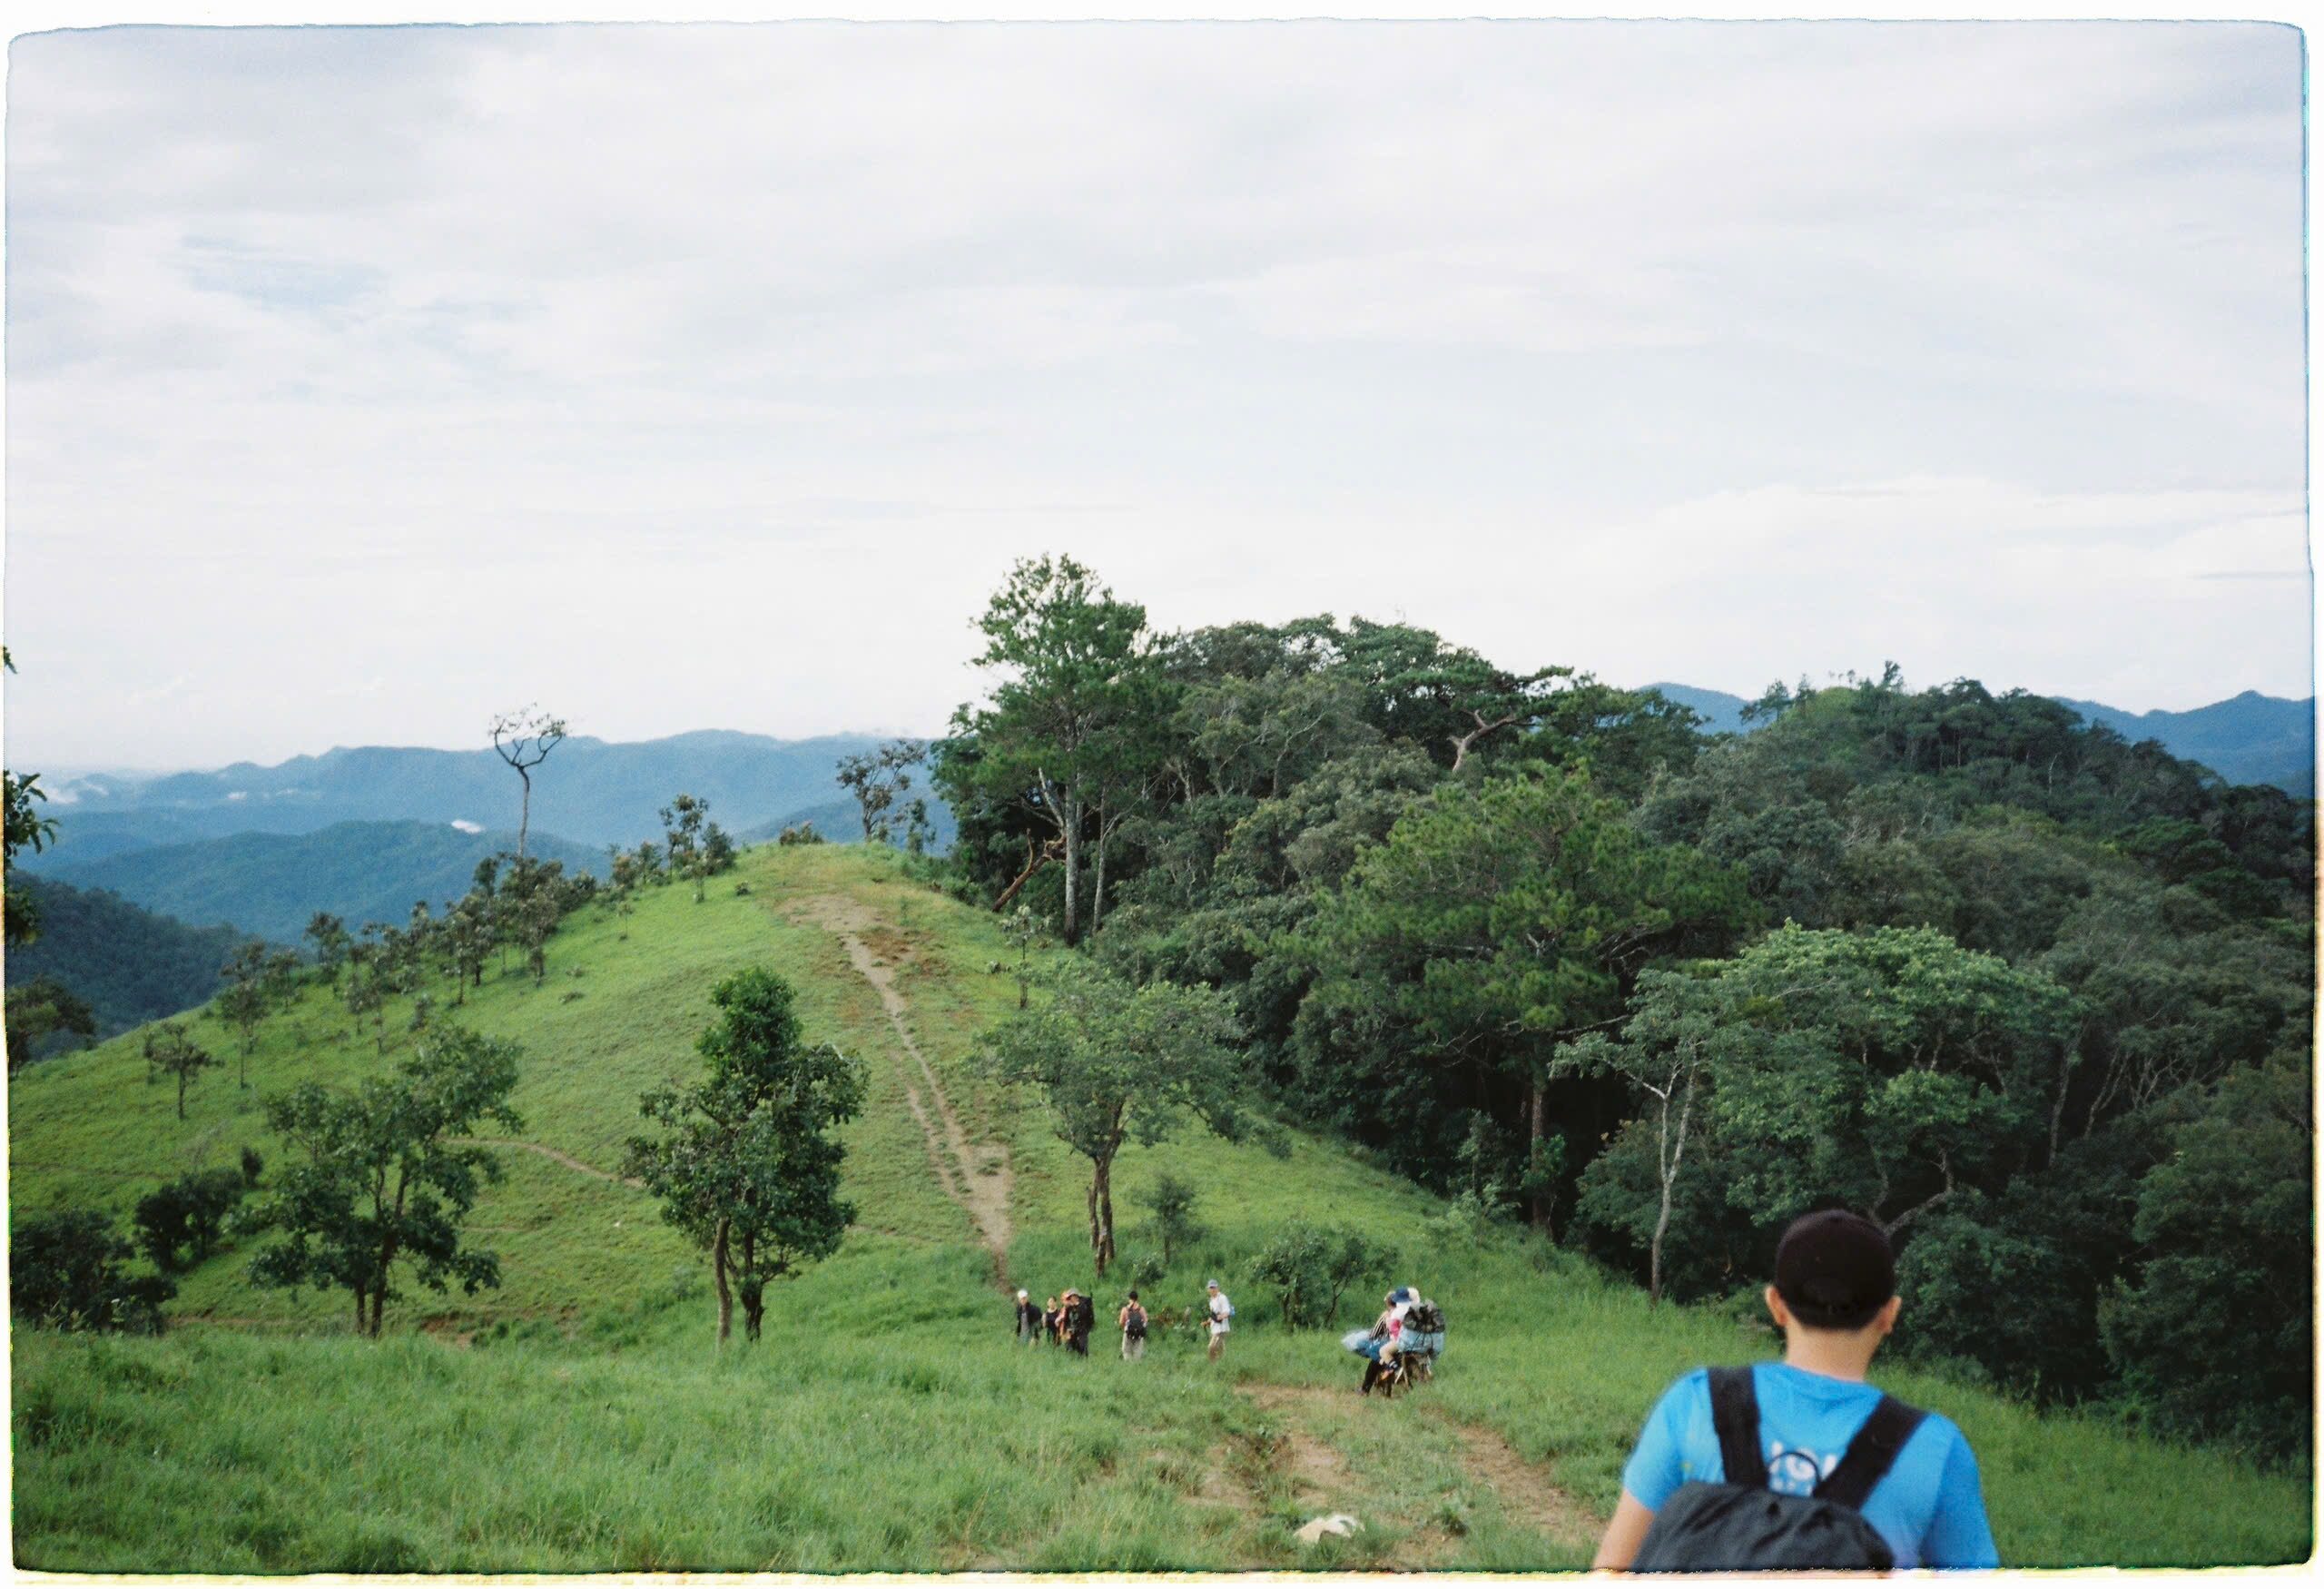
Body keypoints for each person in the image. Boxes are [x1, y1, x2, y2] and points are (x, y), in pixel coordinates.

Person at [1592, 1209, 1999, 1572]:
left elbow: (1613, 1569)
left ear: (1775, 1305)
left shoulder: (1696, 1403)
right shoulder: (1935, 1449)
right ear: (1889, 1314)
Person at [1204, 1279, 1233, 1362]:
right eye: (1211, 1288)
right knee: (1220, 1349)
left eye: (1214, 1287)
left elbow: (1227, 1312)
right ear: (1208, 1289)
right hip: (1215, 1328)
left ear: (1217, 1288)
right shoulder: (1211, 1300)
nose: (1212, 1289)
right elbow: (1213, 1314)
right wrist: (1207, 1322)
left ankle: (1213, 1364)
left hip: (1222, 1329)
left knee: (1212, 1347)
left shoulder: (1222, 1298)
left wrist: (1221, 1316)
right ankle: (1223, 1363)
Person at [1119, 1289, 1149, 1361]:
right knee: (1137, 1351)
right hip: (1139, 1334)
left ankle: (1128, 1364)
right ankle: (1136, 1364)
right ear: (1137, 1298)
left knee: (1126, 1351)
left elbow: (1121, 1322)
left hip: (1128, 1333)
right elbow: (1146, 1321)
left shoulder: (1125, 1309)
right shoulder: (1141, 1309)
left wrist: (1126, 1328)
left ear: (1129, 1298)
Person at [1062, 1288, 1093, 1357]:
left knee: (1082, 1346)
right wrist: (1066, 1330)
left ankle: (1084, 1358)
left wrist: (1076, 1306)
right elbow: (1066, 1319)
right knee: (1070, 1347)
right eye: (1070, 1297)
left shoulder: (1083, 1306)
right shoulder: (1069, 1308)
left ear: (1076, 1297)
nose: (1071, 1299)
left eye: (1072, 1297)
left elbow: (1085, 1315)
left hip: (1082, 1329)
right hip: (1072, 1330)